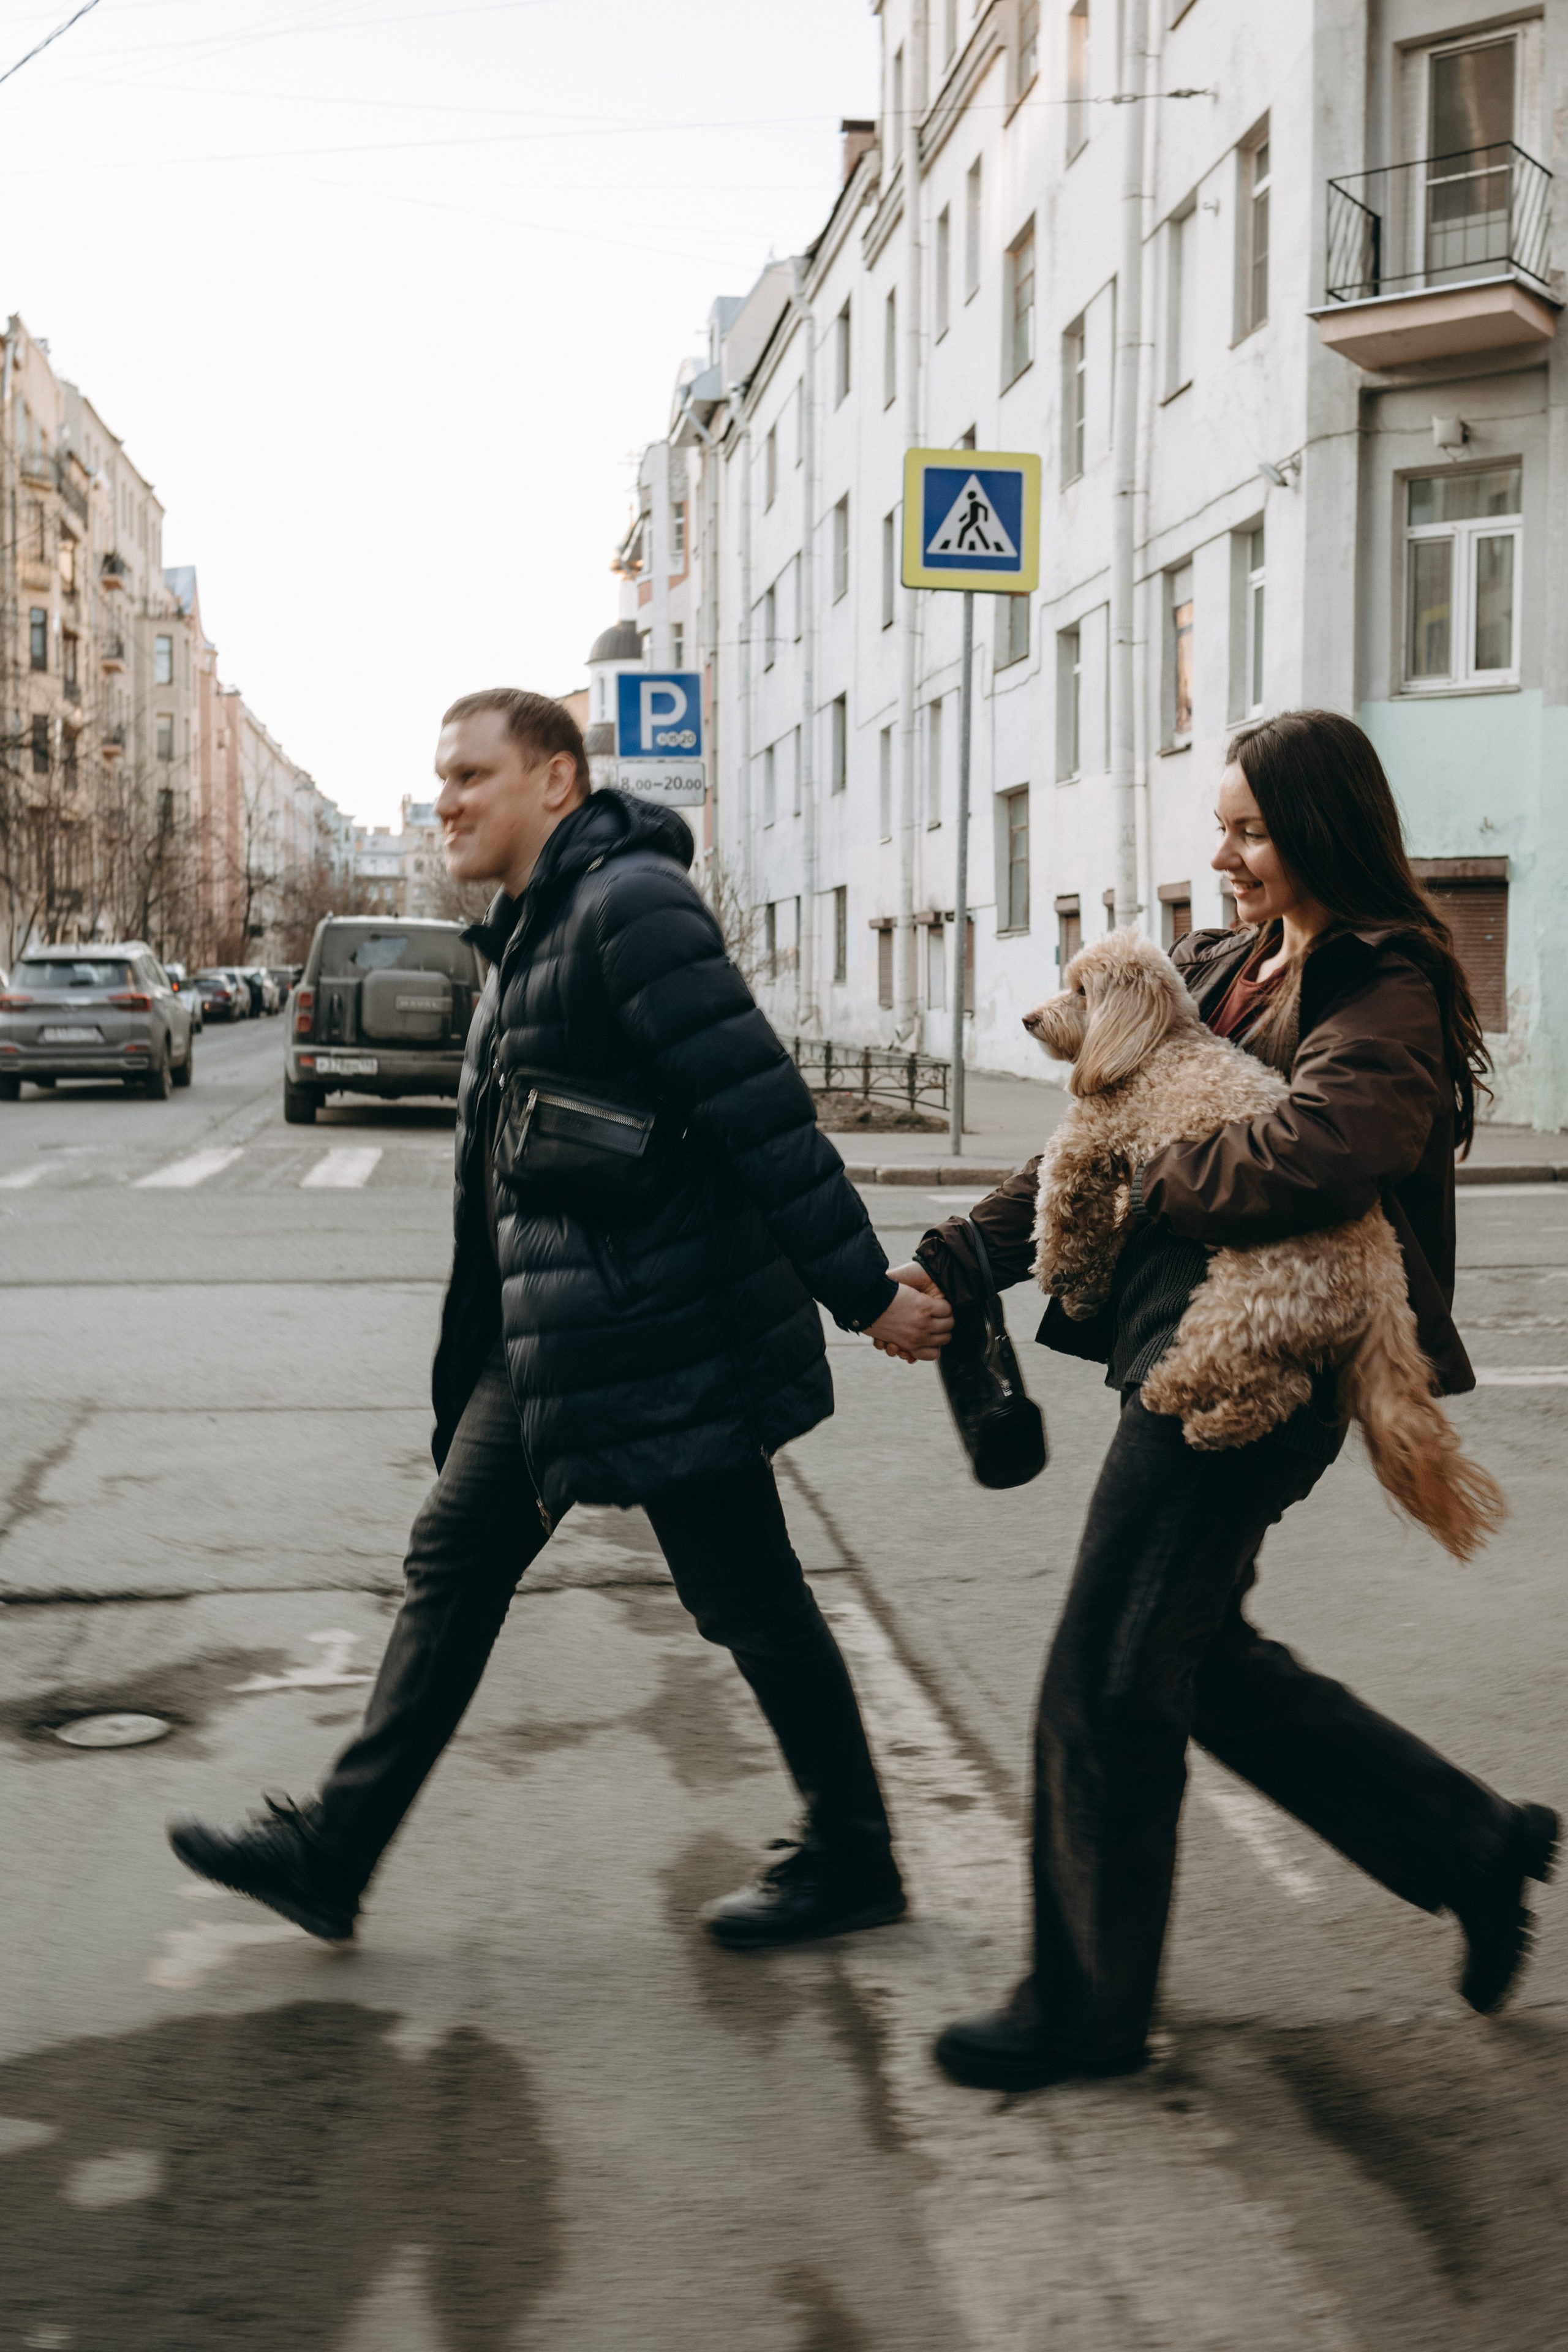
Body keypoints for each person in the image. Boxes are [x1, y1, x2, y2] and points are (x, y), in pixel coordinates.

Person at [169, 689, 950, 1950]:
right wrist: (476, 1352)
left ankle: (855, 1856)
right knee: (455, 1568)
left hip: (658, 1337)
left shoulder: (630, 908)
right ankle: (333, 1855)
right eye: (437, 784)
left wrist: (865, 1295)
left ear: (557, 782)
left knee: (745, 1598)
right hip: (558, 1345)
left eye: (472, 776)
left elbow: (758, 1111)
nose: (447, 805)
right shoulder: (534, 927)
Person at [893, 709, 1558, 2092]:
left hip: (1268, 1370)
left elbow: (1336, 1141)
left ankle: (1084, 2008)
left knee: (1106, 1669)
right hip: (1178, 1341)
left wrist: (1154, 1188)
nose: (1226, 854)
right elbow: (1103, 1126)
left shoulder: (1385, 977)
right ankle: (1469, 1846)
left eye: (1250, 831)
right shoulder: (1219, 962)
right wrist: (970, 1247)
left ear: (1316, 829)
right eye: (1222, 828)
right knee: (1190, 1660)